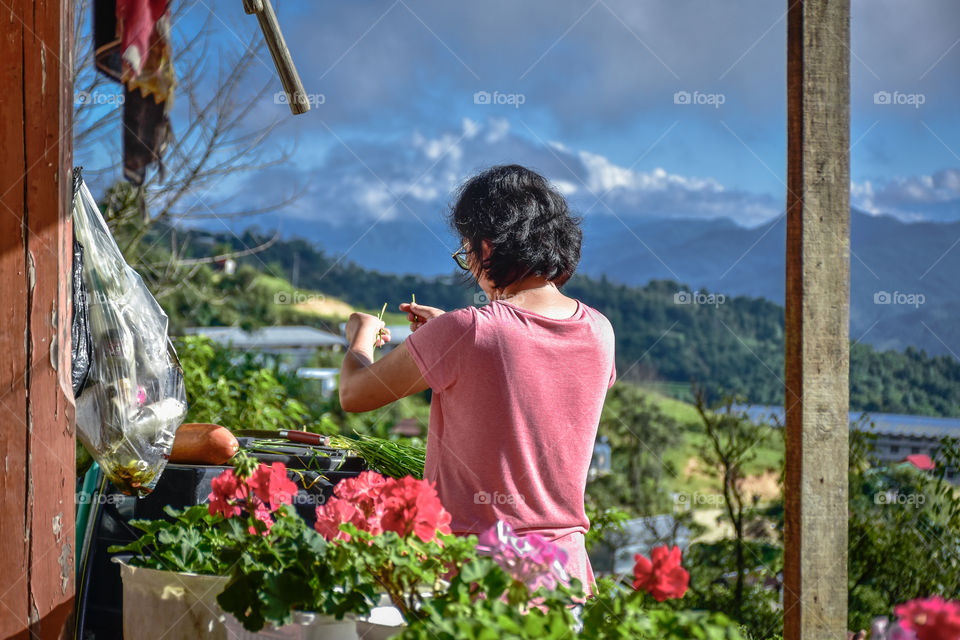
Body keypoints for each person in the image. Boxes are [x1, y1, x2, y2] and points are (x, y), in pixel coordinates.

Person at [338, 164, 616, 588]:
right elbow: (527, 371)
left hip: (480, 580)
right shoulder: (599, 330)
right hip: (566, 575)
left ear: (487, 247)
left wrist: (359, 338)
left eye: (465, 252)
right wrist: (448, 338)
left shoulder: (467, 331)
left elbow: (355, 394)